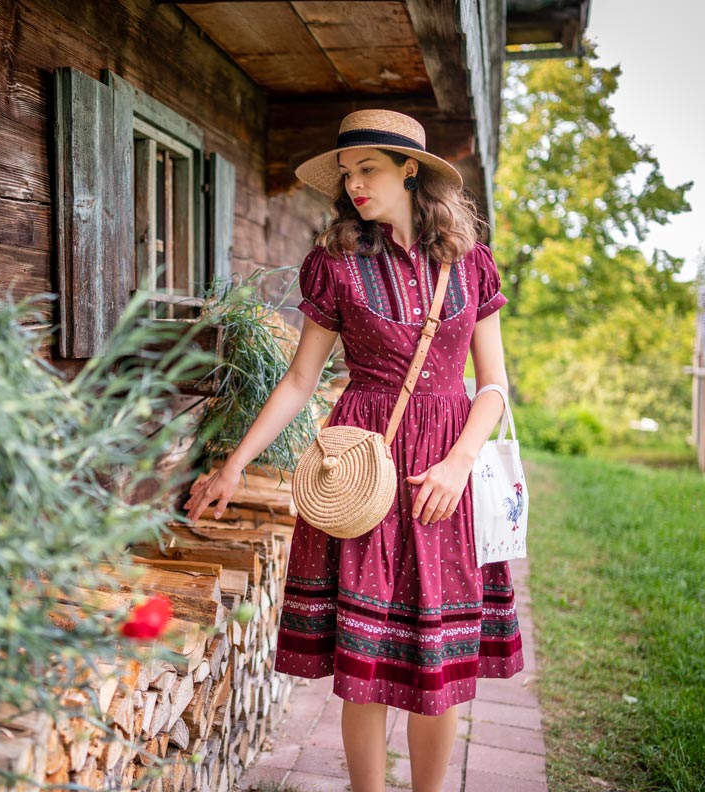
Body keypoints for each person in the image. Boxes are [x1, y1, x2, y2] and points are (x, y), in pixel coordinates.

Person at [185, 109, 525, 792]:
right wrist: (235, 463)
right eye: (347, 174)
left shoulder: (471, 265)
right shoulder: (334, 265)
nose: (355, 184)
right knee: (363, 669)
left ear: (409, 170)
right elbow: (299, 381)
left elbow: (493, 386)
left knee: (441, 664)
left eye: (367, 168)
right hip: (360, 466)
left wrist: (460, 462)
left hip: (442, 473)